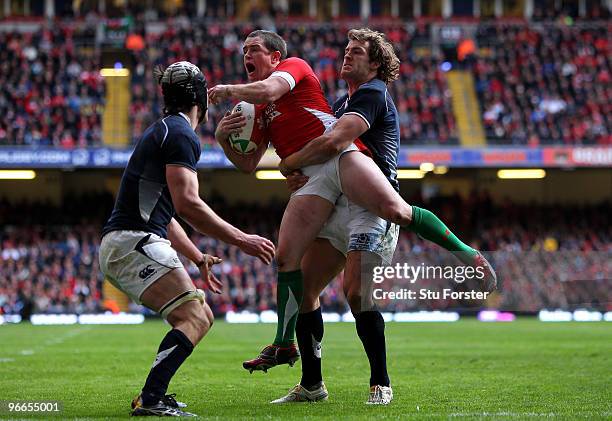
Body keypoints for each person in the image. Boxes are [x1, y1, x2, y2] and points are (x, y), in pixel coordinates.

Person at [209, 30, 496, 378]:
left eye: (253, 49)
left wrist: (227, 91)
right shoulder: (278, 107)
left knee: (393, 217)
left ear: (275, 57)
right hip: (318, 181)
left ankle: (468, 254)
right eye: (243, 50)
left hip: (342, 162)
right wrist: (224, 139)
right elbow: (248, 164)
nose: (245, 55)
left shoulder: (296, 68)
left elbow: (327, 137)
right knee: (289, 262)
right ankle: (289, 349)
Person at [99, 61, 275, 417]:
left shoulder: (165, 130)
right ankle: (151, 399)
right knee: (194, 317)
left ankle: (153, 396)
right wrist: (243, 240)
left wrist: (197, 257)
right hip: (134, 242)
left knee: (201, 316)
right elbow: (188, 204)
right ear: (202, 101)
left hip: (131, 241)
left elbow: (165, 213)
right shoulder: (182, 135)